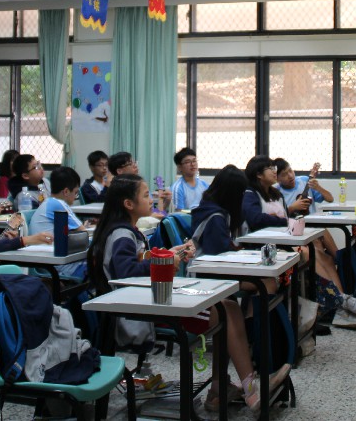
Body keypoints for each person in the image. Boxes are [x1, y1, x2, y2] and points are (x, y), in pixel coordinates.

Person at [88, 174, 289, 412]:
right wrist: (164, 262)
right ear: (128, 204)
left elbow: (138, 260)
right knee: (225, 311)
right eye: (146, 195)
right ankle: (250, 392)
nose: (152, 199)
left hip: (154, 298)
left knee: (228, 306)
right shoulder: (121, 234)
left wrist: (170, 253)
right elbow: (126, 274)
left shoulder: (127, 231)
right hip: (142, 309)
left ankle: (224, 389)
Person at [242, 155, 356, 329]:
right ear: (258, 174)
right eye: (270, 169)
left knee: (322, 256)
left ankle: (340, 301)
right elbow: (257, 219)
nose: (274, 171)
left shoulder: (275, 194)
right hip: (264, 247)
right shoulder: (250, 194)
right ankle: (339, 303)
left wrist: (280, 219)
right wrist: (281, 219)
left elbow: (283, 218)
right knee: (307, 253)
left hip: (284, 240)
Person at [29, 166, 88, 277]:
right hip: (60, 265)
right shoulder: (57, 204)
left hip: (50, 261)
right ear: (66, 191)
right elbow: (84, 233)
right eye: (75, 193)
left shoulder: (49, 202)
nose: (75, 197)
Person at [109, 151, 171, 216]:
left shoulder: (140, 185)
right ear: (119, 171)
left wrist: (166, 202)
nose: (135, 165)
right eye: (130, 163)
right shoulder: (120, 192)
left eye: (134, 162)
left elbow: (152, 213)